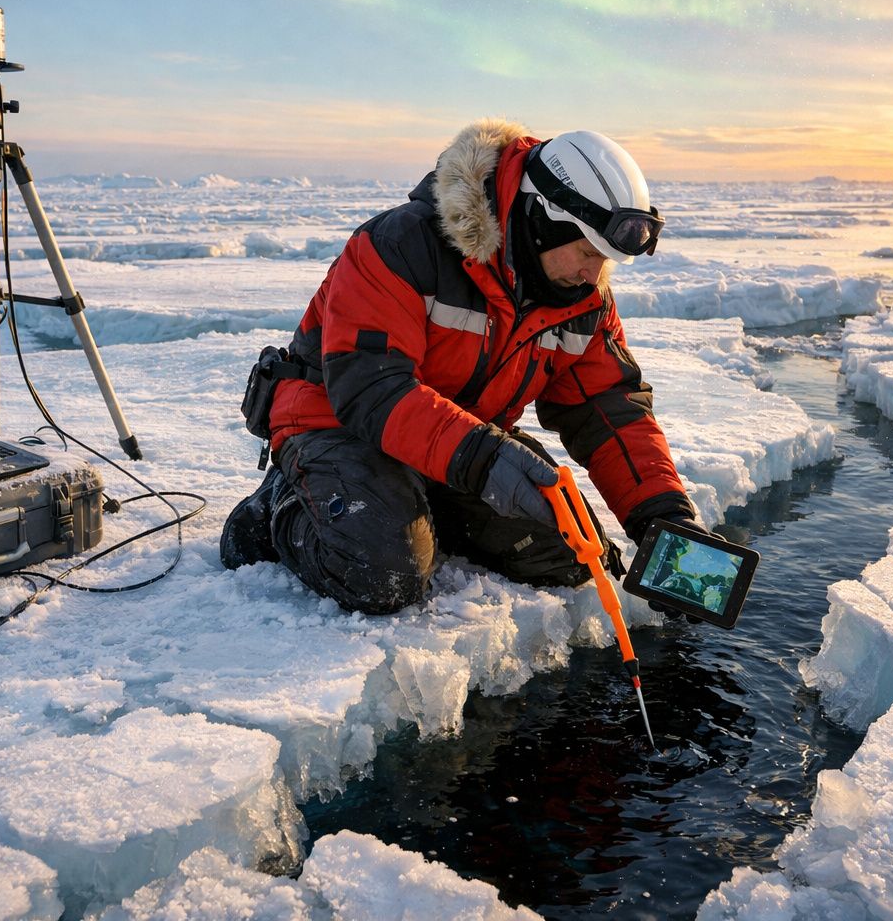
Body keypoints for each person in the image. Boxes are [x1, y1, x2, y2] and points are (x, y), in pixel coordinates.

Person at [219, 118, 704, 614]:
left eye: (606, 260)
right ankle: (277, 513)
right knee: (384, 572)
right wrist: (486, 459)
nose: (594, 274)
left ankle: (418, 507)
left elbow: (607, 407)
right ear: (544, 220)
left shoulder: (582, 298)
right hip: (337, 424)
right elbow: (370, 390)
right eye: (586, 252)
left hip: (459, 443)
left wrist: (662, 518)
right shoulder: (402, 244)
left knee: (572, 558)